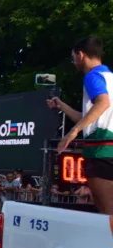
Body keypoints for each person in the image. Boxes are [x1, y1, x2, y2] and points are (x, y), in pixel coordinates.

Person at [47, 36, 113, 214]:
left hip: (101, 151)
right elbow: (89, 118)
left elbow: (103, 103)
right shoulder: (109, 77)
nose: (74, 62)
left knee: (107, 211)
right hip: (106, 147)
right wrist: (62, 106)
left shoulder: (93, 76)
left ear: (80, 55)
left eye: (73, 58)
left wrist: (73, 132)